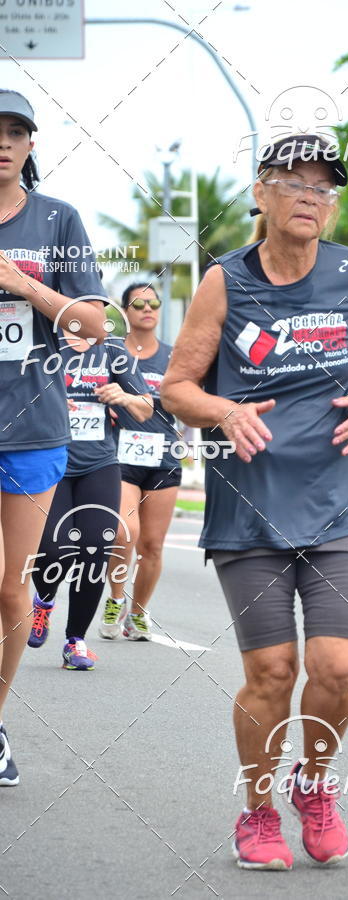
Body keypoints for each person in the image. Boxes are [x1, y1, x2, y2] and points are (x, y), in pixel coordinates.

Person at [161, 134, 348, 871]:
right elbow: (177, 387)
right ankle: (257, 812)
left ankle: (314, 786)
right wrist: (225, 412)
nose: (310, 199)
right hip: (250, 506)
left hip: (339, 498)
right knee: (271, 674)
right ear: (261, 193)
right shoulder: (225, 281)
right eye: (294, 183)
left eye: (324, 189)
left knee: (337, 667)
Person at [0, 91, 106, 785]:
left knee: (10, 592)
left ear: (31, 145)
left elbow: (93, 323)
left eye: (15, 132)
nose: (2, 143)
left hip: (31, 426)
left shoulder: (58, 219)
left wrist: (20, 284)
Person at [26, 329, 151, 669]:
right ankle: (44, 601)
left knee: (96, 548)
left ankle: (74, 641)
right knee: (54, 549)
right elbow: (17, 398)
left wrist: (123, 397)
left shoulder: (112, 350)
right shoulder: (42, 340)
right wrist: (46, 400)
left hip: (100, 464)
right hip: (53, 462)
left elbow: (146, 408)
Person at [101, 283, 182, 641]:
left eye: (154, 303)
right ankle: (116, 600)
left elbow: (190, 400)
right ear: (126, 311)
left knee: (152, 545)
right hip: (120, 456)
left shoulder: (174, 355)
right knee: (123, 533)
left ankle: (138, 613)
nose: (147, 308)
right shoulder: (112, 353)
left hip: (164, 457)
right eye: (139, 303)